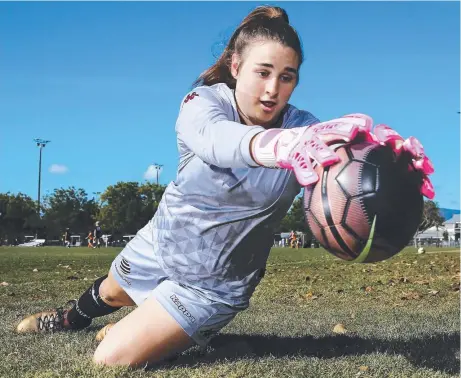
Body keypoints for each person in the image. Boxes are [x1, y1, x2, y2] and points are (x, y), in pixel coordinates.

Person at [15, 5, 434, 368]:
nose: (273, 89)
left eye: (287, 77)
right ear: (236, 67)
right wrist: (284, 146)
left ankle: (173, 331)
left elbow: (352, 168)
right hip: (162, 244)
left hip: (214, 285)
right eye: (263, 72)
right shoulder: (203, 104)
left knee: (111, 357)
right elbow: (218, 142)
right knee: (109, 290)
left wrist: (391, 163)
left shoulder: (307, 129)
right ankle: (70, 317)